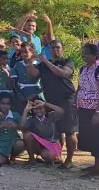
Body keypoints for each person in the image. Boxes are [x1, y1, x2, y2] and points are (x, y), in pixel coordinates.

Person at [28, 40, 77, 169]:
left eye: (58, 47)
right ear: (49, 50)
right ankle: (58, 156)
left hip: (67, 100)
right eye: (53, 48)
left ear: (62, 49)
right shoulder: (43, 65)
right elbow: (33, 74)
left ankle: (69, 160)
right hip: (51, 100)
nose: (55, 50)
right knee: (57, 129)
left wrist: (45, 61)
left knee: (69, 131)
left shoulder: (67, 62)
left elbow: (62, 73)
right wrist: (29, 60)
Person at [75, 43, 99, 178]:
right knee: (91, 138)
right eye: (82, 53)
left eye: (86, 53)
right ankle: (95, 165)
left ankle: (98, 170)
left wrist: (98, 113)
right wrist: (76, 101)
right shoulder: (83, 69)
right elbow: (80, 87)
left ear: (95, 55)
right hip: (84, 108)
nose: (83, 56)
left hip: (98, 109)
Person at [20, 98, 65, 167]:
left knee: (46, 155)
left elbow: (61, 112)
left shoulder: (51, 116)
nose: (38, 111)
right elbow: (22, 126)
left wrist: (46, 103)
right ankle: (32, 160)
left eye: (40, 108)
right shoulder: (31, 119)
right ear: (32, 109)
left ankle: (52, 158)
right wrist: (26, 110)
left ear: (45, 108)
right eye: (35, 109)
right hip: (38, 145)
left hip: (51, 144)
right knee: (27, 135)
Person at [0, 93, 24, 166]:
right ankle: (5, 157)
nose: (5, 106)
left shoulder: (15, 115)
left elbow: (23, 128)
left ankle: (13, 156)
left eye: (8, 104)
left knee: (20, 144)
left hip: (12, 140)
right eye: (3, 103)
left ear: (11, 105)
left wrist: (16, 126)